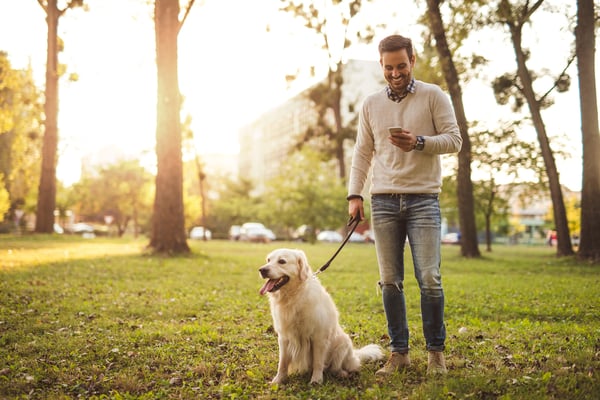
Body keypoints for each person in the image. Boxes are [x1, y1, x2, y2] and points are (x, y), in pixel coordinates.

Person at [347, 34, 462, 377]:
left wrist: (419, 142)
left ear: (413, 60)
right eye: (388, 67)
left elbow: (454, 140)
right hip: (382, 201)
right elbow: (362, 152)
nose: (395, 73)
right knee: (389, 280)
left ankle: (435, 354)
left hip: (423, 198)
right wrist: (355, 194)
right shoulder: (371, 104)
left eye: (401, 66)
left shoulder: (433, 96)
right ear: (381, 65)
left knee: (430, 278)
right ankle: (399, 354)